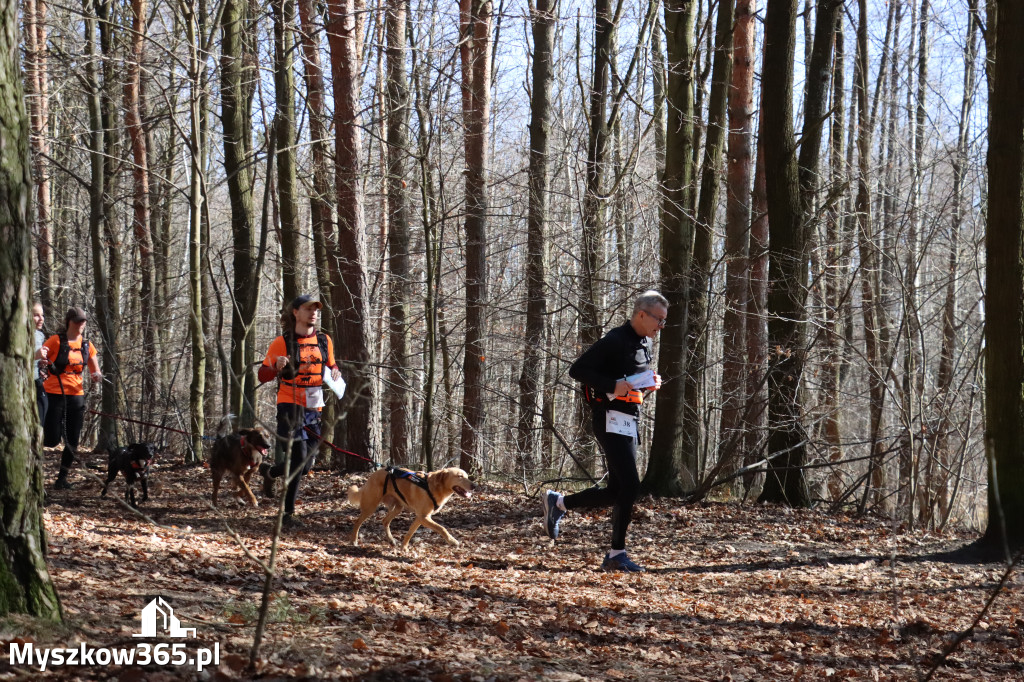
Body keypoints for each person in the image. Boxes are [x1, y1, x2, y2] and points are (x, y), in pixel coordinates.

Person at [542, 290, 667, 572]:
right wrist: (613, 387)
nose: (661, 326)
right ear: (641, 315)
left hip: (628, 417)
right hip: (609, 418)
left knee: (617, 489)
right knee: (631, 485)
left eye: (664, 321)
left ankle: (559, 503)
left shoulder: (644, 342)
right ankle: (615, 554)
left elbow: (631, 382)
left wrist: (648, 385)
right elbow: (578, 370)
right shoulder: (614, 340)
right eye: (658, 319)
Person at [257, 294, 342, 528]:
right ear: (295, 312)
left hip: (314, 405)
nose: (313, 313)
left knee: (305, 466)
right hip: (289, 404)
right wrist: (276, 367)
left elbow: (331, 364)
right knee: (298, 456)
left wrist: (335, 372)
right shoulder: (281, 342)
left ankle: (271, 472)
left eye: (316, 309)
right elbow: (262, 375)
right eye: (307, 308)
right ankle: (288, 514)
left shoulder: (324, 340)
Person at [42, 307, 102, 489]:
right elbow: (40, 356)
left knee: (72, 439)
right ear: (69, 322)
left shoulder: (87, 345)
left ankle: (62, 478)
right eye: (78, 321)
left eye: (83, 320)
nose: (81, 324)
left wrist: (97, 375)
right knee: (52, 438)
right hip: (53, 393)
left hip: (76, 396)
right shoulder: (55, 341)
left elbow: (94, 368)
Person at [32, 302, 48, 424]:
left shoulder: (40, 335)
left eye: (42, 315)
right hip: (22, 383)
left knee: (42, 411)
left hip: (36, 381)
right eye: (36, 315)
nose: (41, 319)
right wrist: (35, 356)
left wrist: (40, 364)